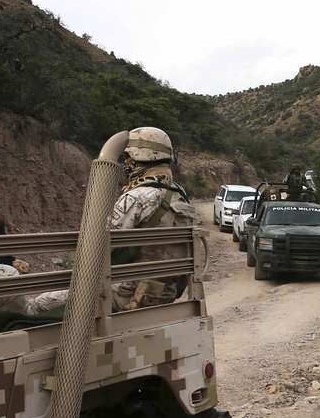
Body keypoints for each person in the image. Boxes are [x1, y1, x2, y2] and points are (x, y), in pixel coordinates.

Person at [25, 126, 194, 315]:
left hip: (128, 295)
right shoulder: (180, 197)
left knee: (39, 304)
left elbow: (99, 247)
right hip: (165, 293)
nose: (126, 164)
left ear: (141, 158)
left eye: (129, 158)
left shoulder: (137, 197)